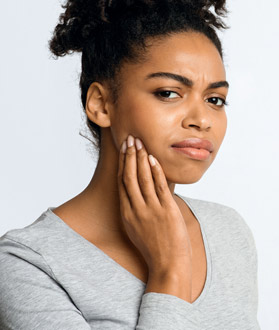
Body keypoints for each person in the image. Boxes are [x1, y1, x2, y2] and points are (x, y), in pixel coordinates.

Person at [0, 0, 260, 329]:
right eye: (168, 93)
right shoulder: (28, 263)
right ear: (101, 104)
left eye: (215, 99)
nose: (201, 120)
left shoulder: (228, 231)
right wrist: (170, 271)